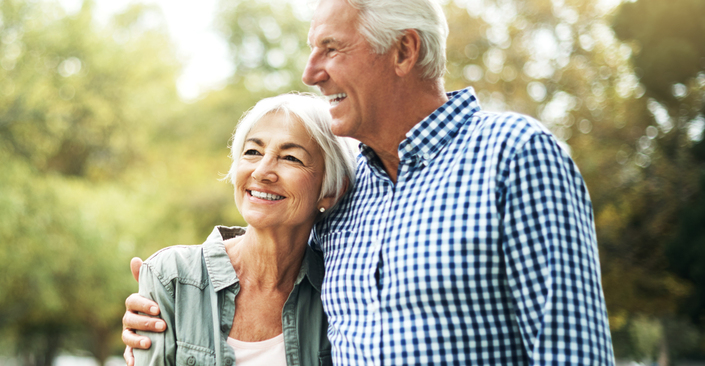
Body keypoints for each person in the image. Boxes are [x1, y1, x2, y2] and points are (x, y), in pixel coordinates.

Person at [124, 0, 615, 364]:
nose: (310, 72)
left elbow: (572, 353)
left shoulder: (514, 154)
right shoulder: (350, 186)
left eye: (331, 49)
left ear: (404, 50)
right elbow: (271, 237)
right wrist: (172, 291)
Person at [133, 93, 356, 366]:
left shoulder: (341, 292)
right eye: (253, 152)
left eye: (291, 158)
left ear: (331, 190)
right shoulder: (171, 277)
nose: (262, 171)